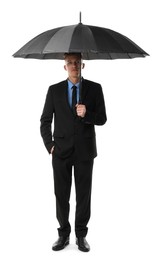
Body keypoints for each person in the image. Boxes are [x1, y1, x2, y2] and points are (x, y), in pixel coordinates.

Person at [40, 53, 107, 252]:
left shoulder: (95, 89)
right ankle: (63, 234)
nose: (74, 66)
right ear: (64, 67)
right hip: (60, 151)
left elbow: (102, 118)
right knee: (61, 195)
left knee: (84, 195)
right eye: (70, 63)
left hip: (85, 152)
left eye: (77, 62)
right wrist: (49, 145)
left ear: (83, 65)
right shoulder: (54, 90)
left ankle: (81, 235)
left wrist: (87, 114)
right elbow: (45, 121)